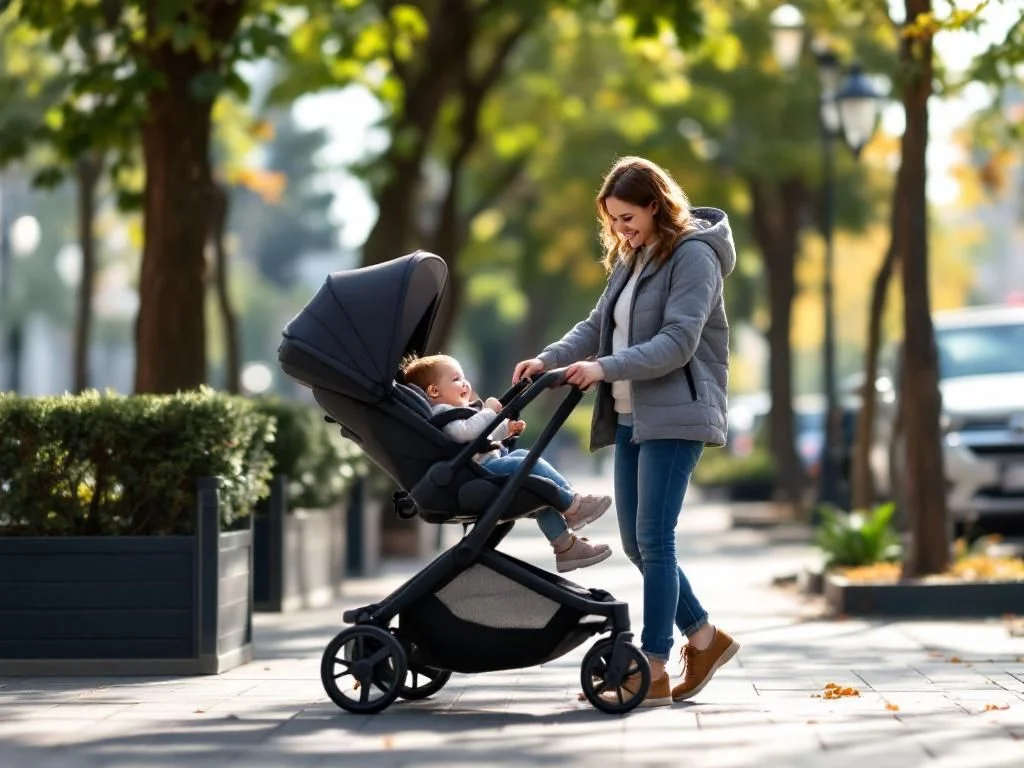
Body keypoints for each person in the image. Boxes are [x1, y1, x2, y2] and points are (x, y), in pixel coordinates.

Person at [513, 156, 739, 707]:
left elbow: (678, 342)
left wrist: (603, 368)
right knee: (640, 545)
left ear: (656, 205)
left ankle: (655, 665)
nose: (620, 229)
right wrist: (547, 360)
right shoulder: (632, 259)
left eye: (628, 216)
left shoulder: (694, 257)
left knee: (656, 542)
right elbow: (596, 327)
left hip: (677, 414)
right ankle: (705, 639)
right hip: (634, 416)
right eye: (612, 219)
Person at [401, 353, 613, 573]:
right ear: (434, 391)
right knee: (529, 465)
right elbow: (465, 433)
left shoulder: (457, 411)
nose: (465, 383)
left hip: (484, 467)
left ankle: (566, 546)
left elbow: (482, 437)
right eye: (456, 379)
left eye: (463, 377)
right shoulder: (443, 413)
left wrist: (506, 430)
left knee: (536, 488)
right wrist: (489, 411)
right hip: (479, 473)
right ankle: (573, 505)